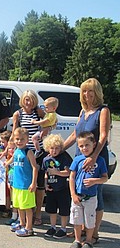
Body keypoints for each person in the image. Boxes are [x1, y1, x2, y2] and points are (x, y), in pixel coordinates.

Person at [63, 78, 111, 244]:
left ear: (97, 92)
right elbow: (75, 135)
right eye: (84, 90)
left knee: (95, 196)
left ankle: (94, 233)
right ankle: (82, 230)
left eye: (90, 90)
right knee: (80, 193)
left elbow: (103, 135)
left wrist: (94, 157)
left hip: (96, 158)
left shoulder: (103, 110)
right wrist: (59, 148)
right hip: (80, 158)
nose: (87, 94)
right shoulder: (83, 112)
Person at [10, 89, 47, 225]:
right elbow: (14, 132)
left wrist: (43, 133)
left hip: (38, 152)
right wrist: (10, 148)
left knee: (39, 184)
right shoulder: (18, 114)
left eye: (31, 99)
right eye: (26, 99)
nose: (28, 102)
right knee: (24, 183)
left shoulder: (39, 112)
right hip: (23, 152)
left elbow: (49, 122)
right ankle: (24, 218)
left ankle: (37, 214)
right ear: (22, 100)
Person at [69, 132, 108, 248]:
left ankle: (89, 240)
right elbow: (71, 177)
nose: (84, 148)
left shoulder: (100, 160)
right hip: (77, 196)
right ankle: (77, 240)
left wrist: (95, 181)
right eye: (81, 146)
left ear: (94, 144)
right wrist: (73, 194)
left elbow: (105, 178)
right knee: (76, 219)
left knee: (90, 219)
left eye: (87, 145)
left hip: (90, 197)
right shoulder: (77, 160)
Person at [6, 127, 38, 237]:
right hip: (17, 184)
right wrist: (5, 163)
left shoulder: (28, 152)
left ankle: (29, 228)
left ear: (27, 140)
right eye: (17, 139)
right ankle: (22, 223)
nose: (19, 141)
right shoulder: (16, 151)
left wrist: (33, 183)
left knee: (27, 207)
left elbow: (34, 167)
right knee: (19, 205)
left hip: (26, 185)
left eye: (22, 139)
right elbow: (12, 159)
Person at [42, 134, 72, 239]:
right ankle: (53, 227)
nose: (54, 151)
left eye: (57, 148)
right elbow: (46, 172)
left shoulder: (63, 157)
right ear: (47, 148)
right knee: (52, 209)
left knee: (63, 209)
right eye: (52, 148)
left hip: (62, 188)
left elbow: (68, 173)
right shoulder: (46, 159)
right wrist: (45, 184)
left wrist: (57, 172)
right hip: (51, 189)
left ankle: (63, 228)